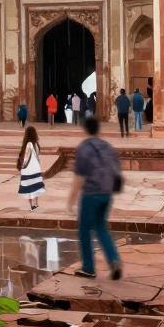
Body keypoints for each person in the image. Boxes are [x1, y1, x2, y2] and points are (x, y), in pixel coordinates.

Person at [68, 116, 123, 280]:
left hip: (90, 194)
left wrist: (71, 200)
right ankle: (114, 260)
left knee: (84, 229)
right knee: (101, 228)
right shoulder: (107, 146)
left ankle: (88, 267)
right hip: (106, 193)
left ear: (85, 129)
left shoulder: (84, 148)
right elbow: (116, 169)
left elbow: (79, 177)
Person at [17, 126, 46, 211]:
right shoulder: (36, 144)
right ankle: (35, 203)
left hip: (28, 169)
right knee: (35, 186)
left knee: (29, 187)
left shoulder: (28, 144)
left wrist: (23, 166)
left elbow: (27, 157)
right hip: (36, 168)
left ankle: (32, 205)